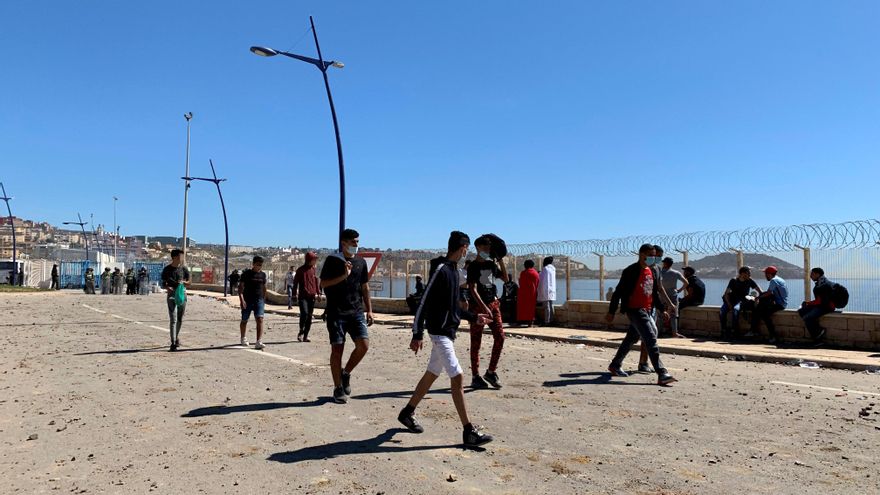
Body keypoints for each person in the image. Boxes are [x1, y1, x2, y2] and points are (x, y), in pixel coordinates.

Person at [398, 231, 494, 447]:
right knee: (457, 376)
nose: (467, 252)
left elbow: (453, 308)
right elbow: (424, 302)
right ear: (462, 248)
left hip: (447, 331)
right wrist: (417, 333)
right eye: (466, 249)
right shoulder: (441, 269)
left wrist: (474, 317)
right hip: (439, 332)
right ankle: (468, 431)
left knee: (432, 373)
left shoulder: (453, 272)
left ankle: (407, 412)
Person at [605, 244, 678, 386]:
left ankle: (615, 365)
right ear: (641, 254)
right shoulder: (631, 271)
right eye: (650, 255)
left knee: (631, 338)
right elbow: (618, 292)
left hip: (647, 309)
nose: (653, 258)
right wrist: (611, 311)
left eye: (654, 256)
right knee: (650, 338)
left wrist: (662, 309)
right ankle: (662, 373)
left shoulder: (653, 270)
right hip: (634, 309)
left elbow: (654, 293)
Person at [319, 228, 374, 404]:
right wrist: (344, 275)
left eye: (357, 241)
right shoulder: (333, 260)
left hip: (356, 311)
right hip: (336, 312)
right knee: (337, 350)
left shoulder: (361, 262)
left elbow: (365, 287)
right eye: (353, 242)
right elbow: (323, 284)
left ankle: (346, 373)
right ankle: (338, 388)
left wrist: (369, 309)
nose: (356, 245)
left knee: (363, 345)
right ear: (344, 243)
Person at [466, 235, 508, 389]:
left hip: (493, 304)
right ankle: (475, 376)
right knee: (476, 342)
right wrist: (483, 308)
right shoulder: (473, 266)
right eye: (485, 248)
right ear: (478, 248)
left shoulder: (491, 265)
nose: (487, 251)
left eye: (489, 249)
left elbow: (505, 279)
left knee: (500, 337)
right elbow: (472, 288)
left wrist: (500, 260)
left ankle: (491, 372)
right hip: (478, 308)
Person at [745, 266, 788, 345]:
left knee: (764, 314)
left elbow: (769, 293)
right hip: (782, 302)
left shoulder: (773, 281)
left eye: (765, 274)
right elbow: (770, 293)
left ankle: (772, 336)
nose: (765, 276)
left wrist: (757, 298)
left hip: (780, 304)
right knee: (759, 309)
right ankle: (754, 331)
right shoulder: (780, 279)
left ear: (769, 274)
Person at [161, 249, 190, 352]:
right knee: (173, 319)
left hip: (182, 295)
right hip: (171, 295)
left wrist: (184, 283)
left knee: (179, 318)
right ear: (175, 257)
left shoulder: (184, 269)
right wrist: (167, 288)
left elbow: (189, 282)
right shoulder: (167, 269)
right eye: (181, 256)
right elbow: (163, 283)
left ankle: (176, 337)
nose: (182, 258)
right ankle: (173, 343)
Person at [798, 267, 835, 345]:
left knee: (807, 318)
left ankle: (818, 335)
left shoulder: (822, 284)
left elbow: (819, 301)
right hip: (823, 305)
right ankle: (816, 329)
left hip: (826, 307)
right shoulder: (822, 282)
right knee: (802, 311)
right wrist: (808, 304)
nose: (810, 276)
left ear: (818, 274)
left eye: (812, 274)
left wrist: (808, 303)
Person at [720, 266, 761, 338]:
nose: (750, 275)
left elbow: (760, 291)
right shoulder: (733, 280)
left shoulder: (750, 281)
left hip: (741, 301)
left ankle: (735, 331)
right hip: (731, 300)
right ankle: (724, 330)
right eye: (748, 273)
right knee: (722, 312)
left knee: (736, 310)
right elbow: (726, 294)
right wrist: (729, 304)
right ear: (742, 274)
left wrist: (757, 298)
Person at [238, 255, 268, 349]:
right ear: (253, 264)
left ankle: (258, 341)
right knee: (244, 320)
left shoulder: (263, 275)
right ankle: (243, 338)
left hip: (259, 300)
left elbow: (264, 287)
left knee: (260, 319)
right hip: (247, 300)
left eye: (260, 265)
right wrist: (242, 300)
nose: (259, 267)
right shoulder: (246, 274)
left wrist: (263, 299)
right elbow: (240, 288)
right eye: (257, 264)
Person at [293, 252, 321, 342]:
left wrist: (319, 293)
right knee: (304, 313)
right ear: (309, 260)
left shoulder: (313, 269)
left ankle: (306, 335)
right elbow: (295, 283)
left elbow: (316, 281)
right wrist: (294, 294)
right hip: (303, 296)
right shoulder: (300, 270)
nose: (315, 261)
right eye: (314, 259)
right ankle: (301, 331)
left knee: (309, 316)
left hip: (312, 296)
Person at [659, 258, 688, 336]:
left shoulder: (660, 272)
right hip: (673, 296)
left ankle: (659, 331)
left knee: (661, 314)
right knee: (673, 315)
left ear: (665, 263)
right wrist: (679, 290)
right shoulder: (676, 273)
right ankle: (674, 333)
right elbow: (686, 282)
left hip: (662, 296)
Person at [517, 260, 540, 327]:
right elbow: (537, 283)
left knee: (522, 307)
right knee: (531, 308)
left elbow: (520, 282)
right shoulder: (536, 273)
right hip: (532, 293)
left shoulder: (523, 273)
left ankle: (521, 321)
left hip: (523, 293)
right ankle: (530, 322)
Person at [537, 257, 557, 325]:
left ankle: (547, 321)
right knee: (551, 305)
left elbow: (542, 279)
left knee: (546, 307)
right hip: (552, 290)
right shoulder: (553, 269)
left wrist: (539, 273)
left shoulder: (545, 269)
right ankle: (551, 320)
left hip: (546, 290)